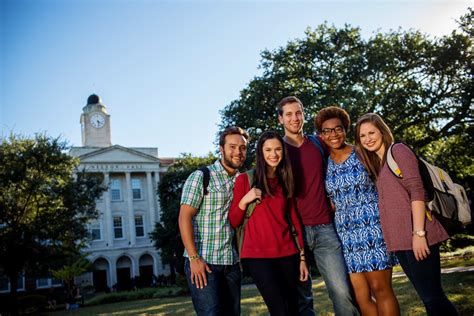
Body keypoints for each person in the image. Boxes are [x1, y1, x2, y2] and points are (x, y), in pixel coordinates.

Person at [354, 113, 458, 316]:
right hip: (401, 243)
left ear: (382, 132)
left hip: (417, 238)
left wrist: (419, 235)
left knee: (433, 297)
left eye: (372, 133)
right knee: (428, 298)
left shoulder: (398, 151)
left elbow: (417, 191)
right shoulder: (379, 163)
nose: (368, 139)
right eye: (362, 136)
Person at [277, 96, 358, 315]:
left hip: (325, 227)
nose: (295, 118)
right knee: (301, 298)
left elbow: (341, 154)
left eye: (298, 112)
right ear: (280, 119)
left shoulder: (317, 143)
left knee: (342, 291)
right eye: (289, 114)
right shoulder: (277, 150)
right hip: (293, 233)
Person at [315, 106, 399, 315]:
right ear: (321, 135)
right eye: (327, 130)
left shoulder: (361, 152)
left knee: (380, 289)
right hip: (345, 233)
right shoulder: (325, 163)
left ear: (346, 130)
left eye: (338, 129)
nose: (333, 134)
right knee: (361, 295)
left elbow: (386, 182)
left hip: (372, 227)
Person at [229, 131, 309, 315]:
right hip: (258, 257)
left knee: (294, 308)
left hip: (288, 252)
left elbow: (293, 219)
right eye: (268, 150)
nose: (273, 154)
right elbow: (234, 221)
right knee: (279, 310)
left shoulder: (286, 179)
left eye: (278, 149)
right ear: (261, 152)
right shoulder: (245, 179)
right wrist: (244, 200)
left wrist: (302, 257)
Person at [178, 126, 249, 316]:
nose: (238, 152)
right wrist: (194, 259)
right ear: (222, 149)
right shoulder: (201, 177)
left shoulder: (243, 180)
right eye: (232, 147)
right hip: (204, 262)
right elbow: (184, 217)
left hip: (231, 263)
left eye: (242, 148)